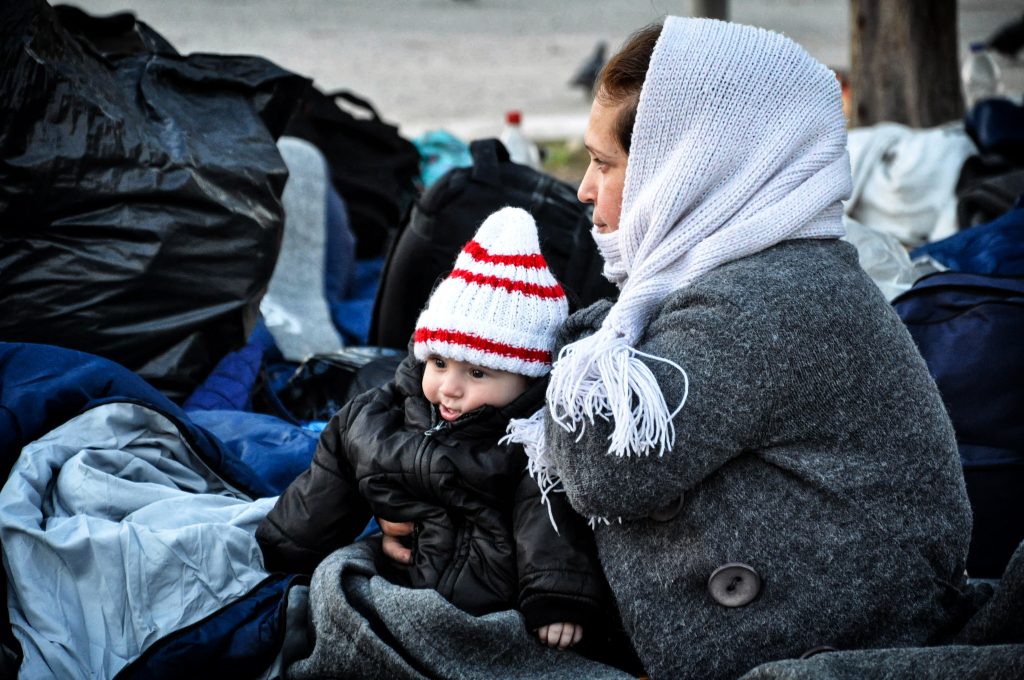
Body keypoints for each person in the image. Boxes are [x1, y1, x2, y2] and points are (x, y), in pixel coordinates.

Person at [385, 17, 976, 680]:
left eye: (603, 163)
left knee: (375, 618)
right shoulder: (766, 271)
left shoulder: (765, 301)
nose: (582, 189)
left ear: (686, 170)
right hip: (813, 619)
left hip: (826, 638)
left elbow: (607, 468)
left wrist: (572, 334)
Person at [256, 207, 605, 650]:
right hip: (396, 578)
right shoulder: (380, 417)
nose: (450, 388)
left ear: (527, 380)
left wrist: (556, 599)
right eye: (439, 363)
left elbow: (549, 526)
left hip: (490, 605)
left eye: (478, 374)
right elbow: (329, 479)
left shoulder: (527, 444)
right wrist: (288, 548)